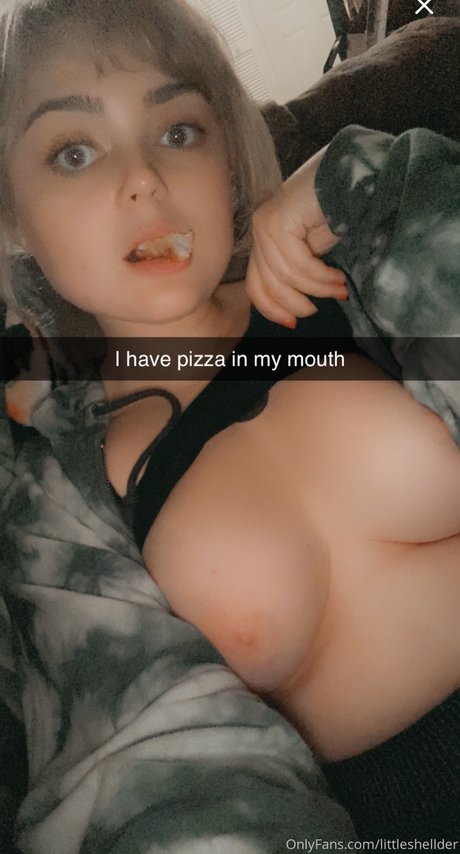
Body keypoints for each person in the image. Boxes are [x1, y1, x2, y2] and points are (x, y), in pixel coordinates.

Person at [0, 1, 458, 850]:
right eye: (74, 152)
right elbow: (138, 780)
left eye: (178, 131)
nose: (143, 178)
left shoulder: (345, 270)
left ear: (229, 159)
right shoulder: (54, 490)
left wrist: (370, 186)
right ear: (14, 212)